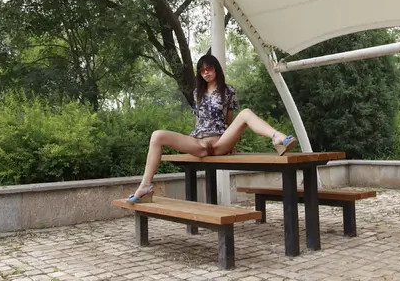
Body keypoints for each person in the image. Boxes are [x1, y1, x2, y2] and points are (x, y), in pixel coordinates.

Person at [127, 54, 298, 203]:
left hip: (220, 142)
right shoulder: (197, 93)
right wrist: (191, 139)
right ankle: (145, 186)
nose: (206, 73)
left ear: (216, 69)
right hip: (200, 144)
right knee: (157, 135)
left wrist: (232, 142)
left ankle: (278, 137)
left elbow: (230, 121)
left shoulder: (229, 91)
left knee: (245, 113)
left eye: (208, 69)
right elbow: (198, 120)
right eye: (202, 71)